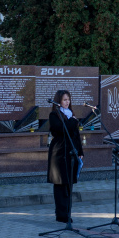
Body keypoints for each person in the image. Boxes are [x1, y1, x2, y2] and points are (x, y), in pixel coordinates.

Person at [47, 89, 83, 224]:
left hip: (71, 153)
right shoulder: (54, 115)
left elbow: (76, 135)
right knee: (60, 183)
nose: (67, 102)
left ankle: (67, 212)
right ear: (58, 101)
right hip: (59, 153)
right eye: (64, 100)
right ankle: (61, 214)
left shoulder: (71, 115)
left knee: (69, 184)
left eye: (68, 99)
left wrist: (80, 152)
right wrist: (73, 121)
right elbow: (62, 129)